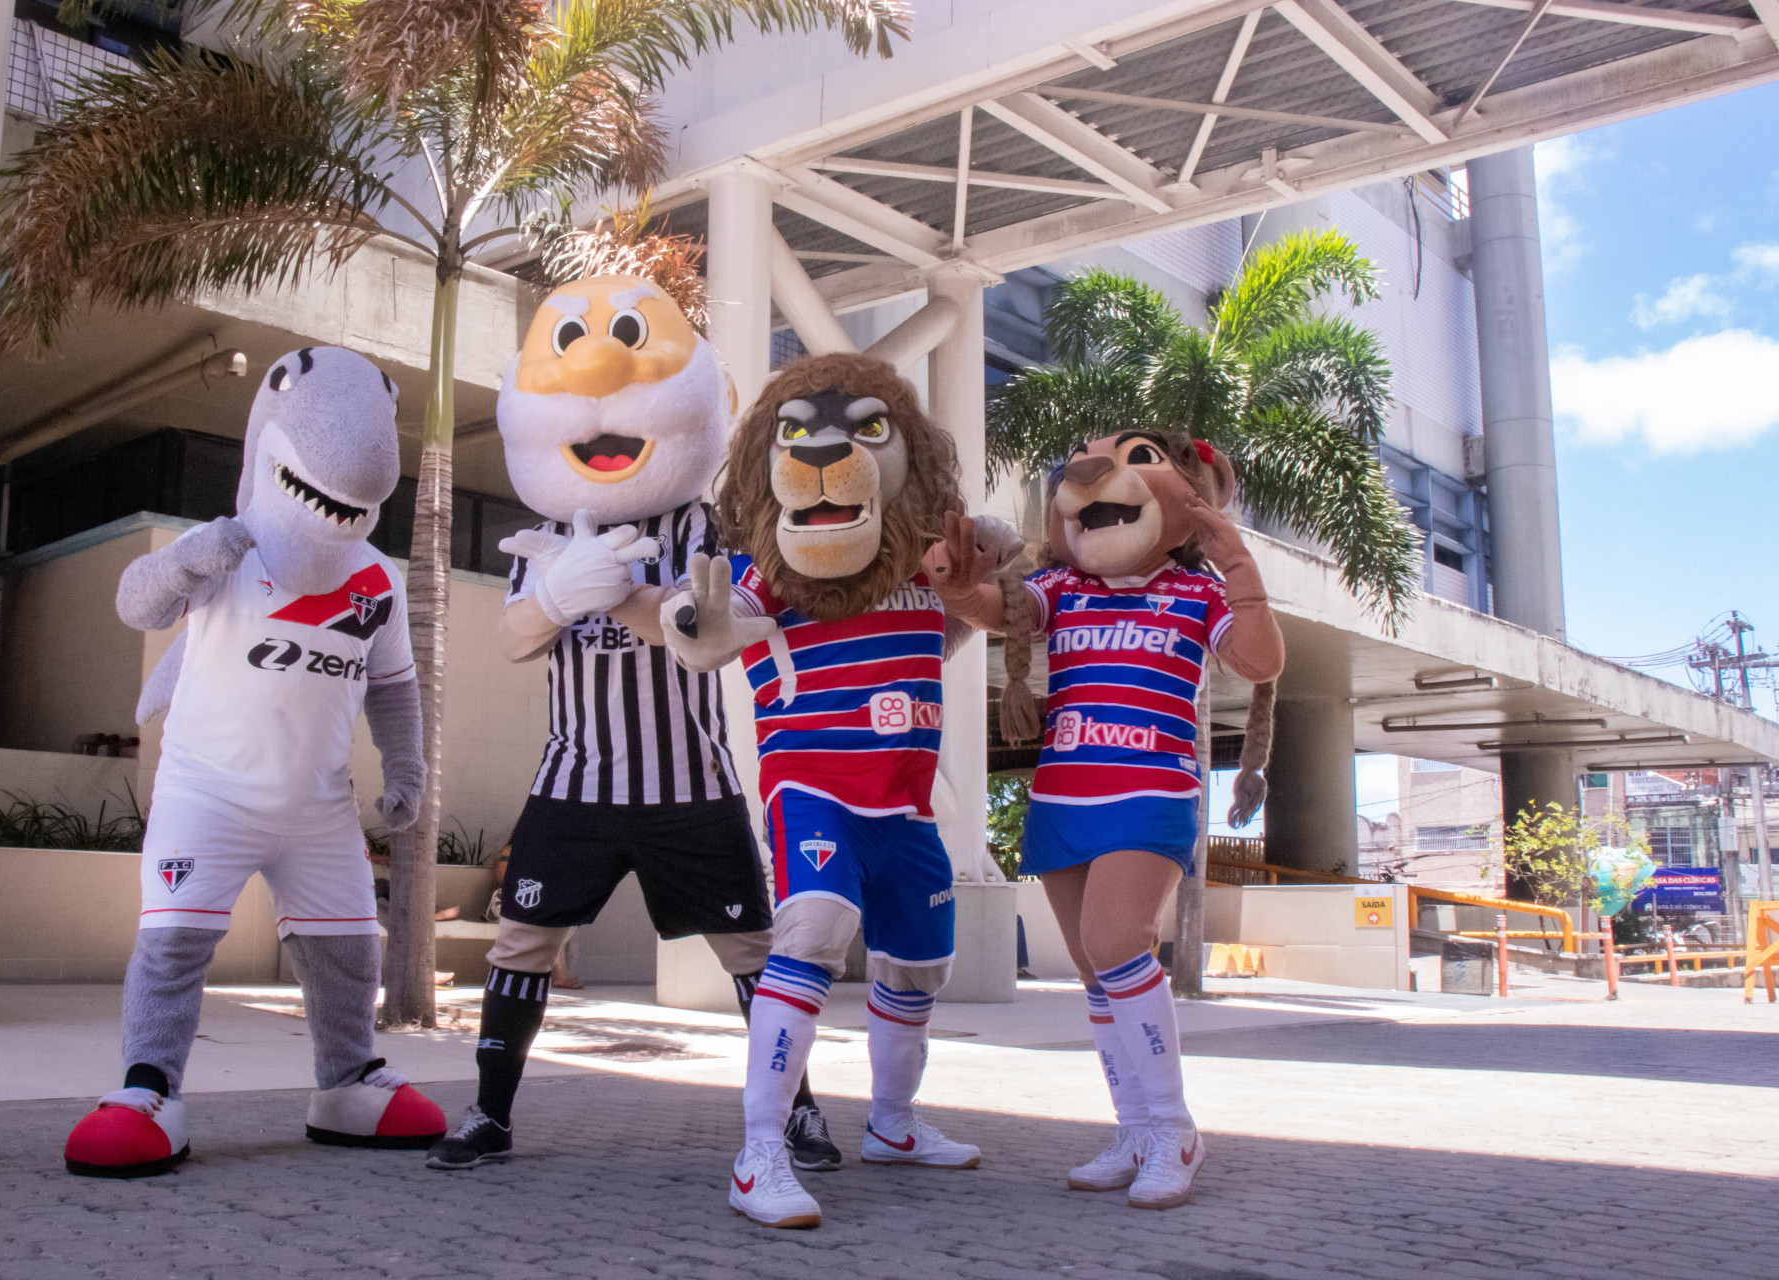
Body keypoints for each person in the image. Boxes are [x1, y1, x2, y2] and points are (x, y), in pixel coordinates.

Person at [425, 274, 837, 1172]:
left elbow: (700, 634)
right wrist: (555, 596)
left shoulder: (702, 526)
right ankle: (490, 1114)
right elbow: (514, 638)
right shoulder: (549, 529)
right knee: (523, 942)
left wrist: (613, 591)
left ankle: (799, 1113)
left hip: (691, 782)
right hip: (573, 780)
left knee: (752, 951)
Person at [63, 347, 446, 1177]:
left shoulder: (378, 581)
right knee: (174, 943)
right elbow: (136, 604)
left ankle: (347, 1081)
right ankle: (147, 1087)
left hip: (320, 806)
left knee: (350, 953)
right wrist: (179, 562)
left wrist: (407, 771)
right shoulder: (223, 550)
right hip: (208, 793)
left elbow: (393, 691)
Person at [663, 353, 1019, 1229]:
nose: (825, 456)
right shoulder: (770, 574)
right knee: (813, 932)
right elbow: (714, 630)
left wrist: (979, 553)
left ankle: (893, 1125)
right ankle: (760, 1151)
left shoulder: (921, 574)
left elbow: (971, 597)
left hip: (905, 806)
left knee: (920, 962)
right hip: (814, 790)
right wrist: (696, 623)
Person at [927, 430, 1284, 1210]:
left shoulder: (1197, 594)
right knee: (1096, 972)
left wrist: (1240, 570)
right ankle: (1134, 1128)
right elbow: (996, 610)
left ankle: (1173, 1129)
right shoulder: (1061, 588)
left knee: (1119, 943)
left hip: (1150, 794)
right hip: (1062, 797)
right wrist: (957, 585)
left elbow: (1261, 662)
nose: (1093, 475)